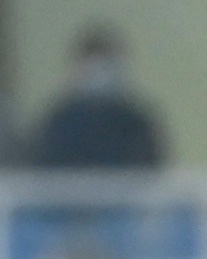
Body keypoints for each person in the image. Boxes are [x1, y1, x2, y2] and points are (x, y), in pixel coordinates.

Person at [32, 25, 165, 170]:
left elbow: (151, 169)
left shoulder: (137, 122)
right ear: (78, 68)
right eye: (94, 68)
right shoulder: (59, 122)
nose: (101, 75)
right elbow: (44, 173)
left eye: (107, 65)